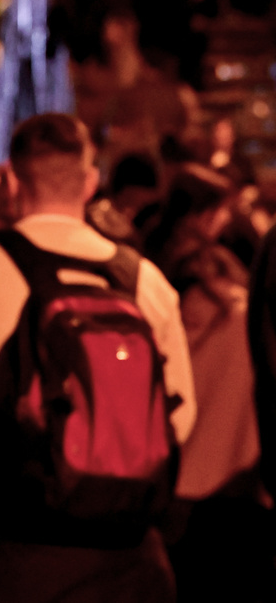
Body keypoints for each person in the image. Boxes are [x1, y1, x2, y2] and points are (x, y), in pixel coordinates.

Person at [0, 112, 196, 602]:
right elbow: (179, 411)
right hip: (125, 556)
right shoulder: (145, 281)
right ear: (90, 181)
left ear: (12, 180)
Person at [142, 163, 273, 600]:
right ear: (203, 214)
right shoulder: (215, 274)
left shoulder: (149, 257)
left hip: (169, 443)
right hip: (224, 457)